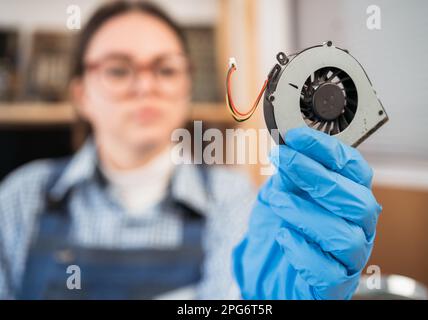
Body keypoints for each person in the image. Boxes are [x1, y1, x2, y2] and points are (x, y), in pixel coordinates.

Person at [0, 1, 381, 300]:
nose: (145, 85)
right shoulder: (21, 196)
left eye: (165, 69)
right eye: (119, 70)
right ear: (80, 94)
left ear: (186, 87)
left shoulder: (231, 198)